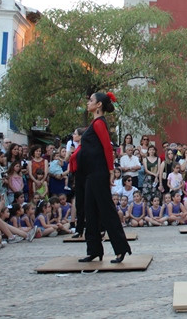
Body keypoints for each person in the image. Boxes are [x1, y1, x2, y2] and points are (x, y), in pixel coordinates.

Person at [77, 92, 131, 263]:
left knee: (106, 211)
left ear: (98, 105)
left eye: (91, 100)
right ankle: (94, 250)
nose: (88, 102)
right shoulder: (94, 123)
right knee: (90, 212)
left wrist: (109, 172)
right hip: (90, 174)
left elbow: (108, 149)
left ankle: (121, 249)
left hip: (99, 173)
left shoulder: (99, 123)